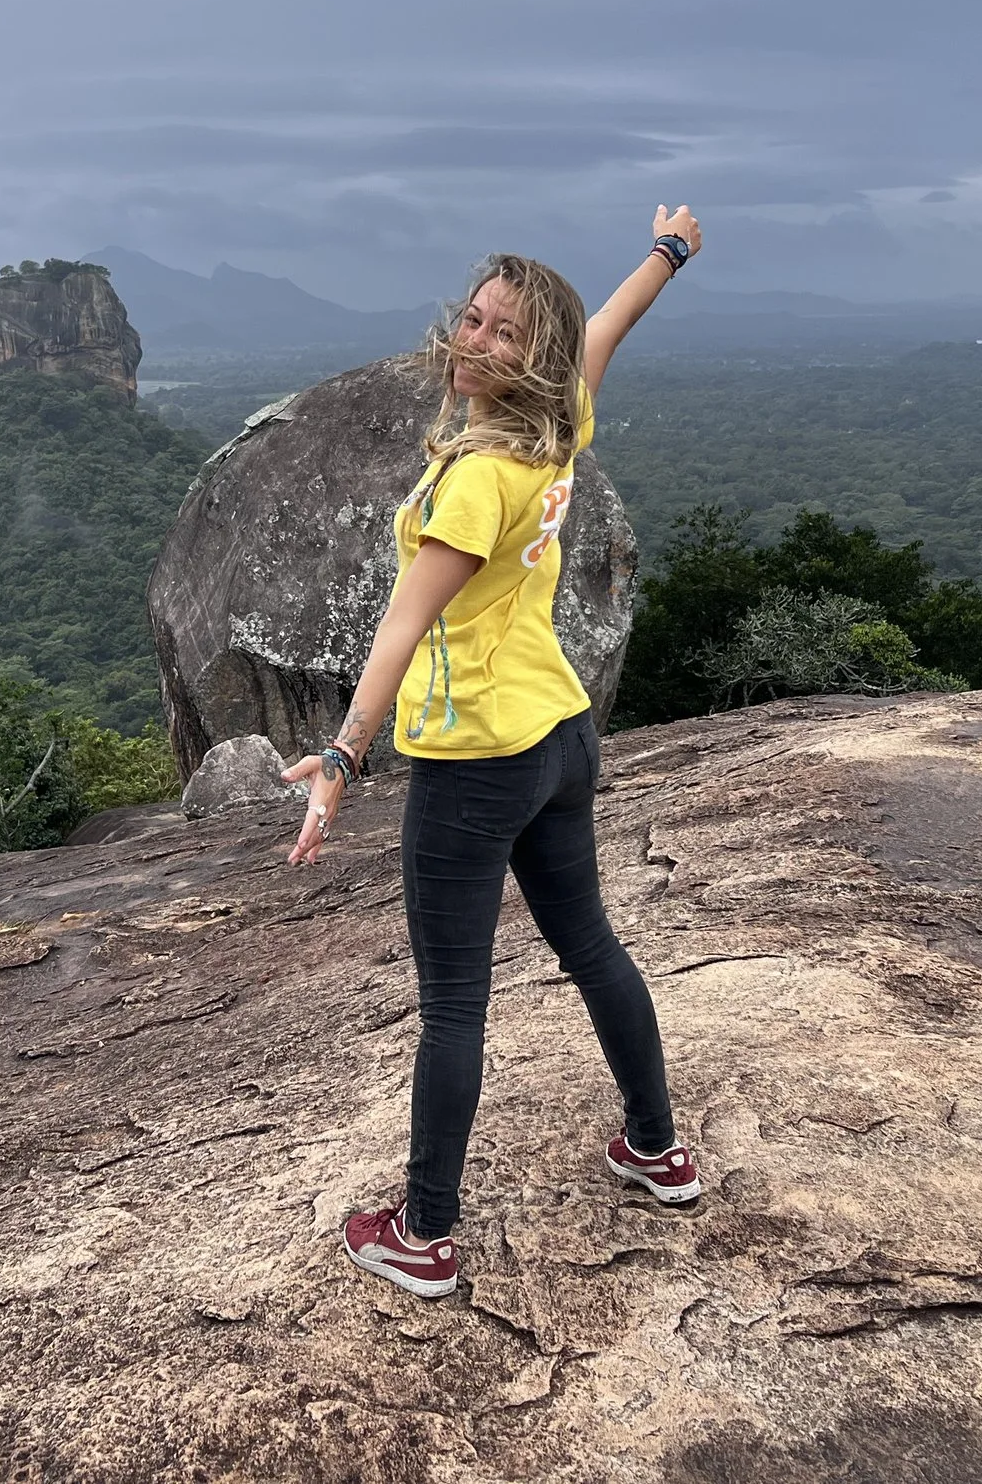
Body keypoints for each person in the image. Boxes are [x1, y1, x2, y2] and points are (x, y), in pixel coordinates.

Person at [282, 205, 707, 1300]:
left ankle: (422, 1233)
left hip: (478, 761)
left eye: (502, 334)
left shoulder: (476, 480)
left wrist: (341, 757)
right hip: (559, 736)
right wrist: (666, 252)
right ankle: (657, 1150)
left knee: (456, 1004)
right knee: (593, 949)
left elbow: (400, 624)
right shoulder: (558, 421)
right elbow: (609, 322)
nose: (473, 342)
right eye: (471, 320)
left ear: (535, 357)